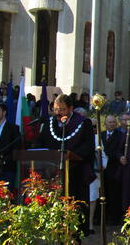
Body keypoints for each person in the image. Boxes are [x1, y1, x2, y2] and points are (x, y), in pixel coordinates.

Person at [37, 94, 95, 239]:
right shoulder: (49, 124)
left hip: (76, 174)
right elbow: (40, 144)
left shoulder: (83, 123)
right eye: (56, 109)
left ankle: (75, 237)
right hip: (53, 174)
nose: (58, 112)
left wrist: (72, 155)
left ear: (71, 108)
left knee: (75, 209)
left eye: (62, 109)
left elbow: (88, 146)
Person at [101, 115, 124, 225]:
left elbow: (119, 150)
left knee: (114, 194)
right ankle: (103, 216)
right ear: (105, 124)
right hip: (102, 169)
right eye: (109, 122)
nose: (112, 124)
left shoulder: (121, 136)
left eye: (114, 122)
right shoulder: (100, 135)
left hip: (114, 168)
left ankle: (115, 217)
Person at [88, 118, 107, 235]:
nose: (93, 129)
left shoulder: (97, 138)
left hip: (93, 173)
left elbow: (103, 156)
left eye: (95, 127)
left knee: (92, 198)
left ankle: (89, 224)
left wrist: (101, 166)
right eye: (91, 127)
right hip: (80, 172)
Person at [0, 104, 20, 186]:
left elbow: (16, 148)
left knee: (7, 195)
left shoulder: (14, 128)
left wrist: (3, 161)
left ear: (4, 112)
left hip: (8, 169)